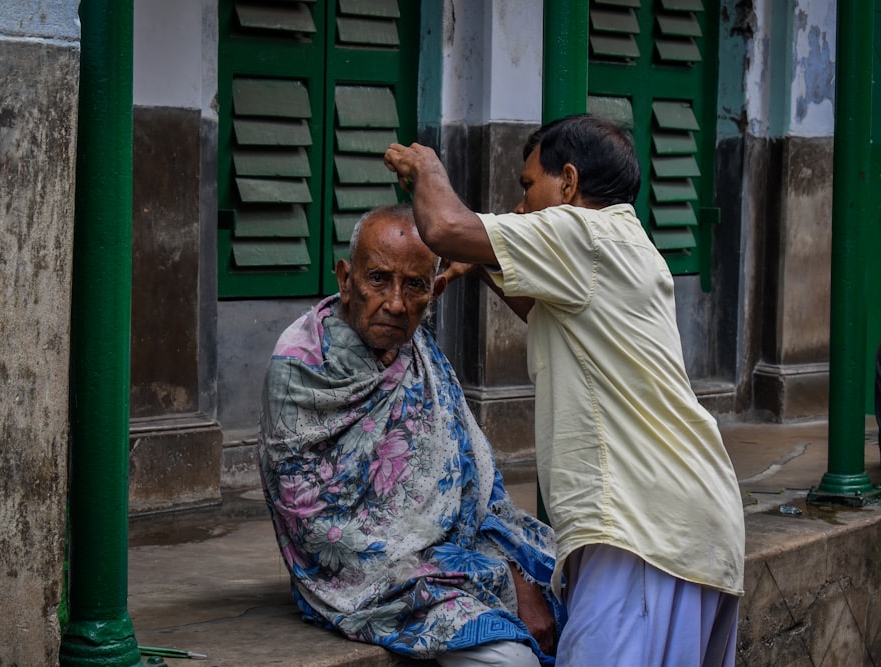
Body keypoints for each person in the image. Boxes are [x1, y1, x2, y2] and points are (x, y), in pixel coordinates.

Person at [383, 114, 746, 666]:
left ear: (570, 183)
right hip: (683, 525)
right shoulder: (625, 244)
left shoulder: (585, 233)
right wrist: (484, 265)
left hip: (641, 531)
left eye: (529, 187)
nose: (522, 206)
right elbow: (547, 314)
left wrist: (428, 168)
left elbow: (443, 226)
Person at [257, 204, 567, 666]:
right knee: (510, 660)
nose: (397, 303)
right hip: (368, 579)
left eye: (415, 285)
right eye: (378, 279)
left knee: (586, 584)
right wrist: (490, 575)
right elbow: (320, 531)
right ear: (345, 279)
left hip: (454, 556)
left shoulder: (419, 353)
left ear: (433, 292)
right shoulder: (302, 369)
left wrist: (513, 569)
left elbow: (475, 482)